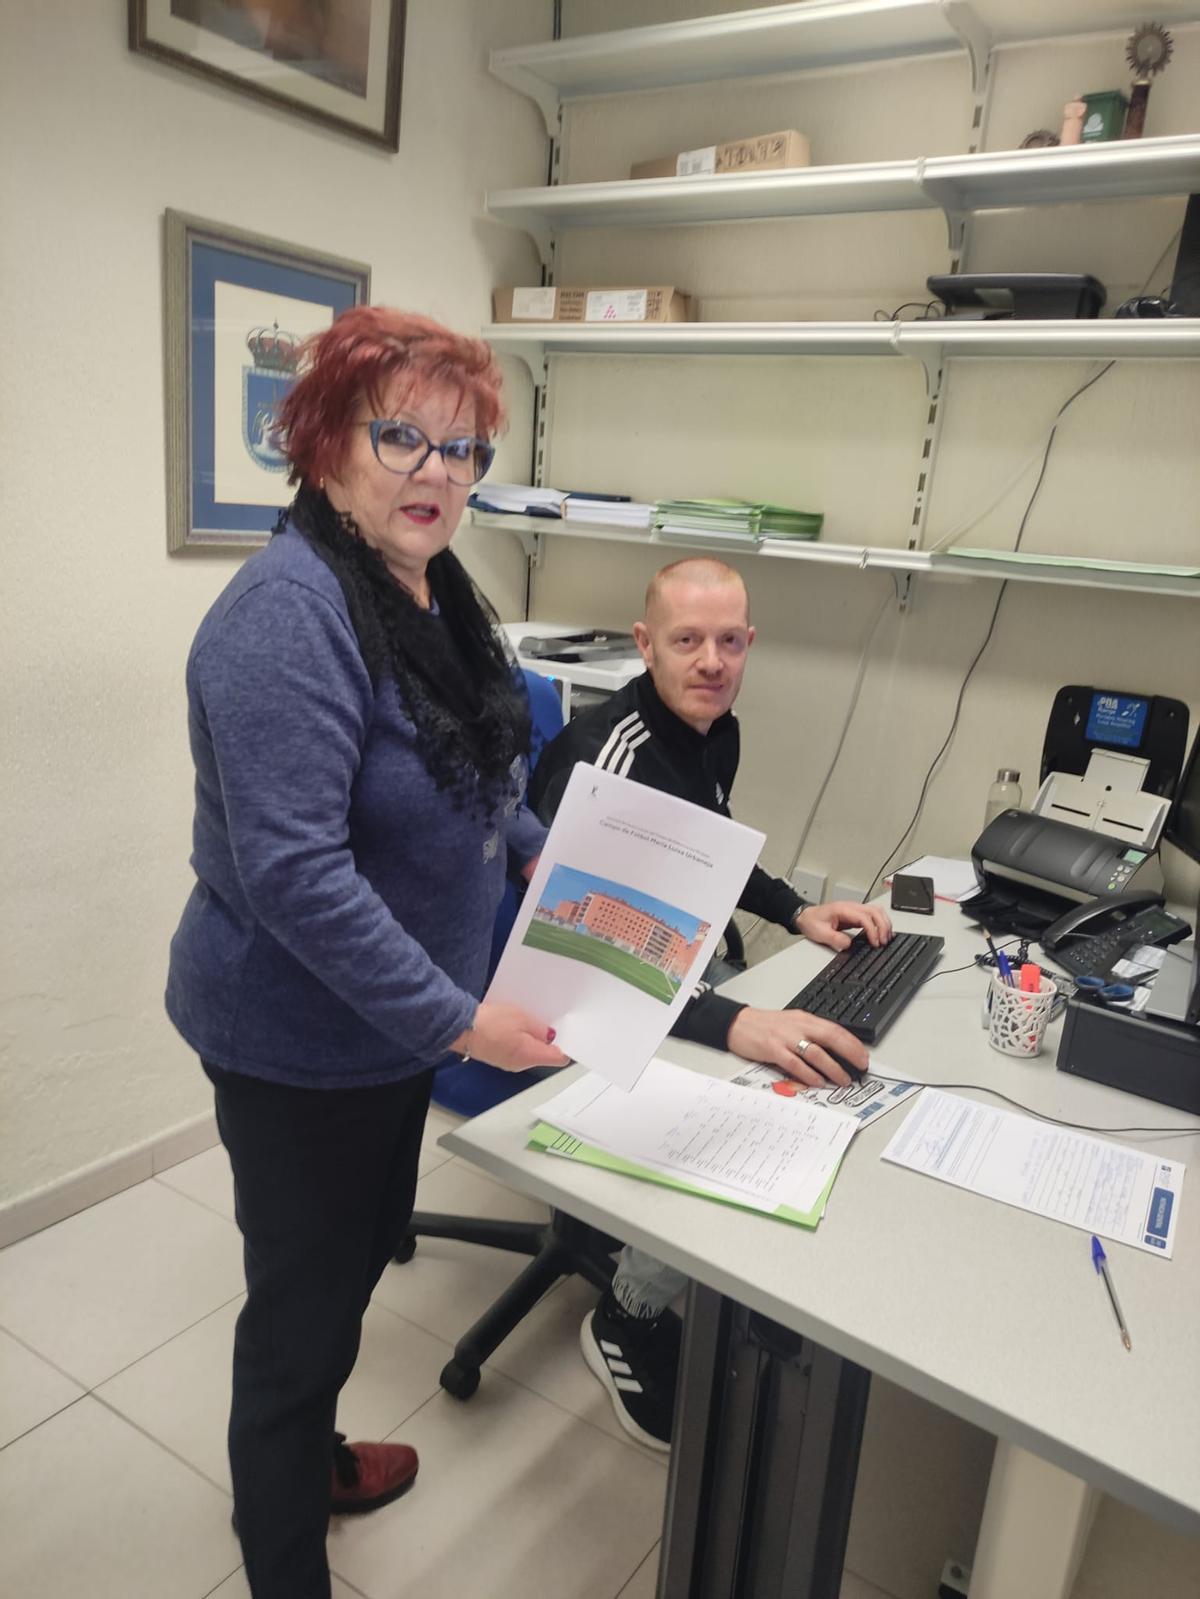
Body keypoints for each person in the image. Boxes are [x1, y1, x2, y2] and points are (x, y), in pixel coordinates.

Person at [165, 306, 568, 1599]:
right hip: (295, 1036)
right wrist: (462, 1020)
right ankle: (286, 1561)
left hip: (392, 1027)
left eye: (462, 449)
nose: (437, 472)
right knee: (298, 1315)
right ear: (326, 438)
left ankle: (320, 1452)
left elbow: (467, 758)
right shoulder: (287, 614)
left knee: (349, 1264)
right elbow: (296, 874)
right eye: (402, 435)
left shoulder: (431, 587)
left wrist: (536, 842)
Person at [528, 557, 892, 1451]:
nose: (711, 661)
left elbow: (717, 849)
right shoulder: (603, 760)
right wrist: (734, 1021)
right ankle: (629, 1313)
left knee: (808, 1061)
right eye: (687, 641)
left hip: (665, 966)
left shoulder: (714, 728)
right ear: (645, 644)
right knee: (749, 1094)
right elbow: (586, 967)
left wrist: (795, 909)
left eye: (730, 642)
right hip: (567, 995)